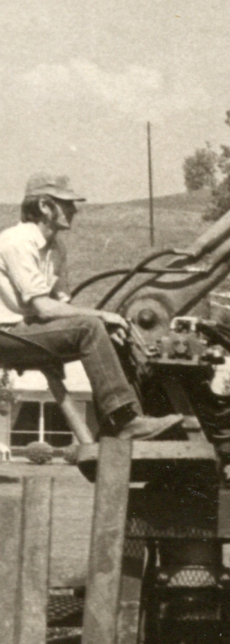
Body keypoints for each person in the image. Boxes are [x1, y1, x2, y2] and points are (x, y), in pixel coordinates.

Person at [0, 174, 178, 443]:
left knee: (112, 333)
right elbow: (44, 308)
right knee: (90, 327)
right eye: (66, 203)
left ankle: (124, 425)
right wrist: (101, 316)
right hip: (8, 335)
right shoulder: (16, 241)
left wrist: (109, 324)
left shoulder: (57, 247)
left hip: (29, 331)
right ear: (45, 206)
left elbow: (61, 306)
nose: (74, 210)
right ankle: (125, 421)